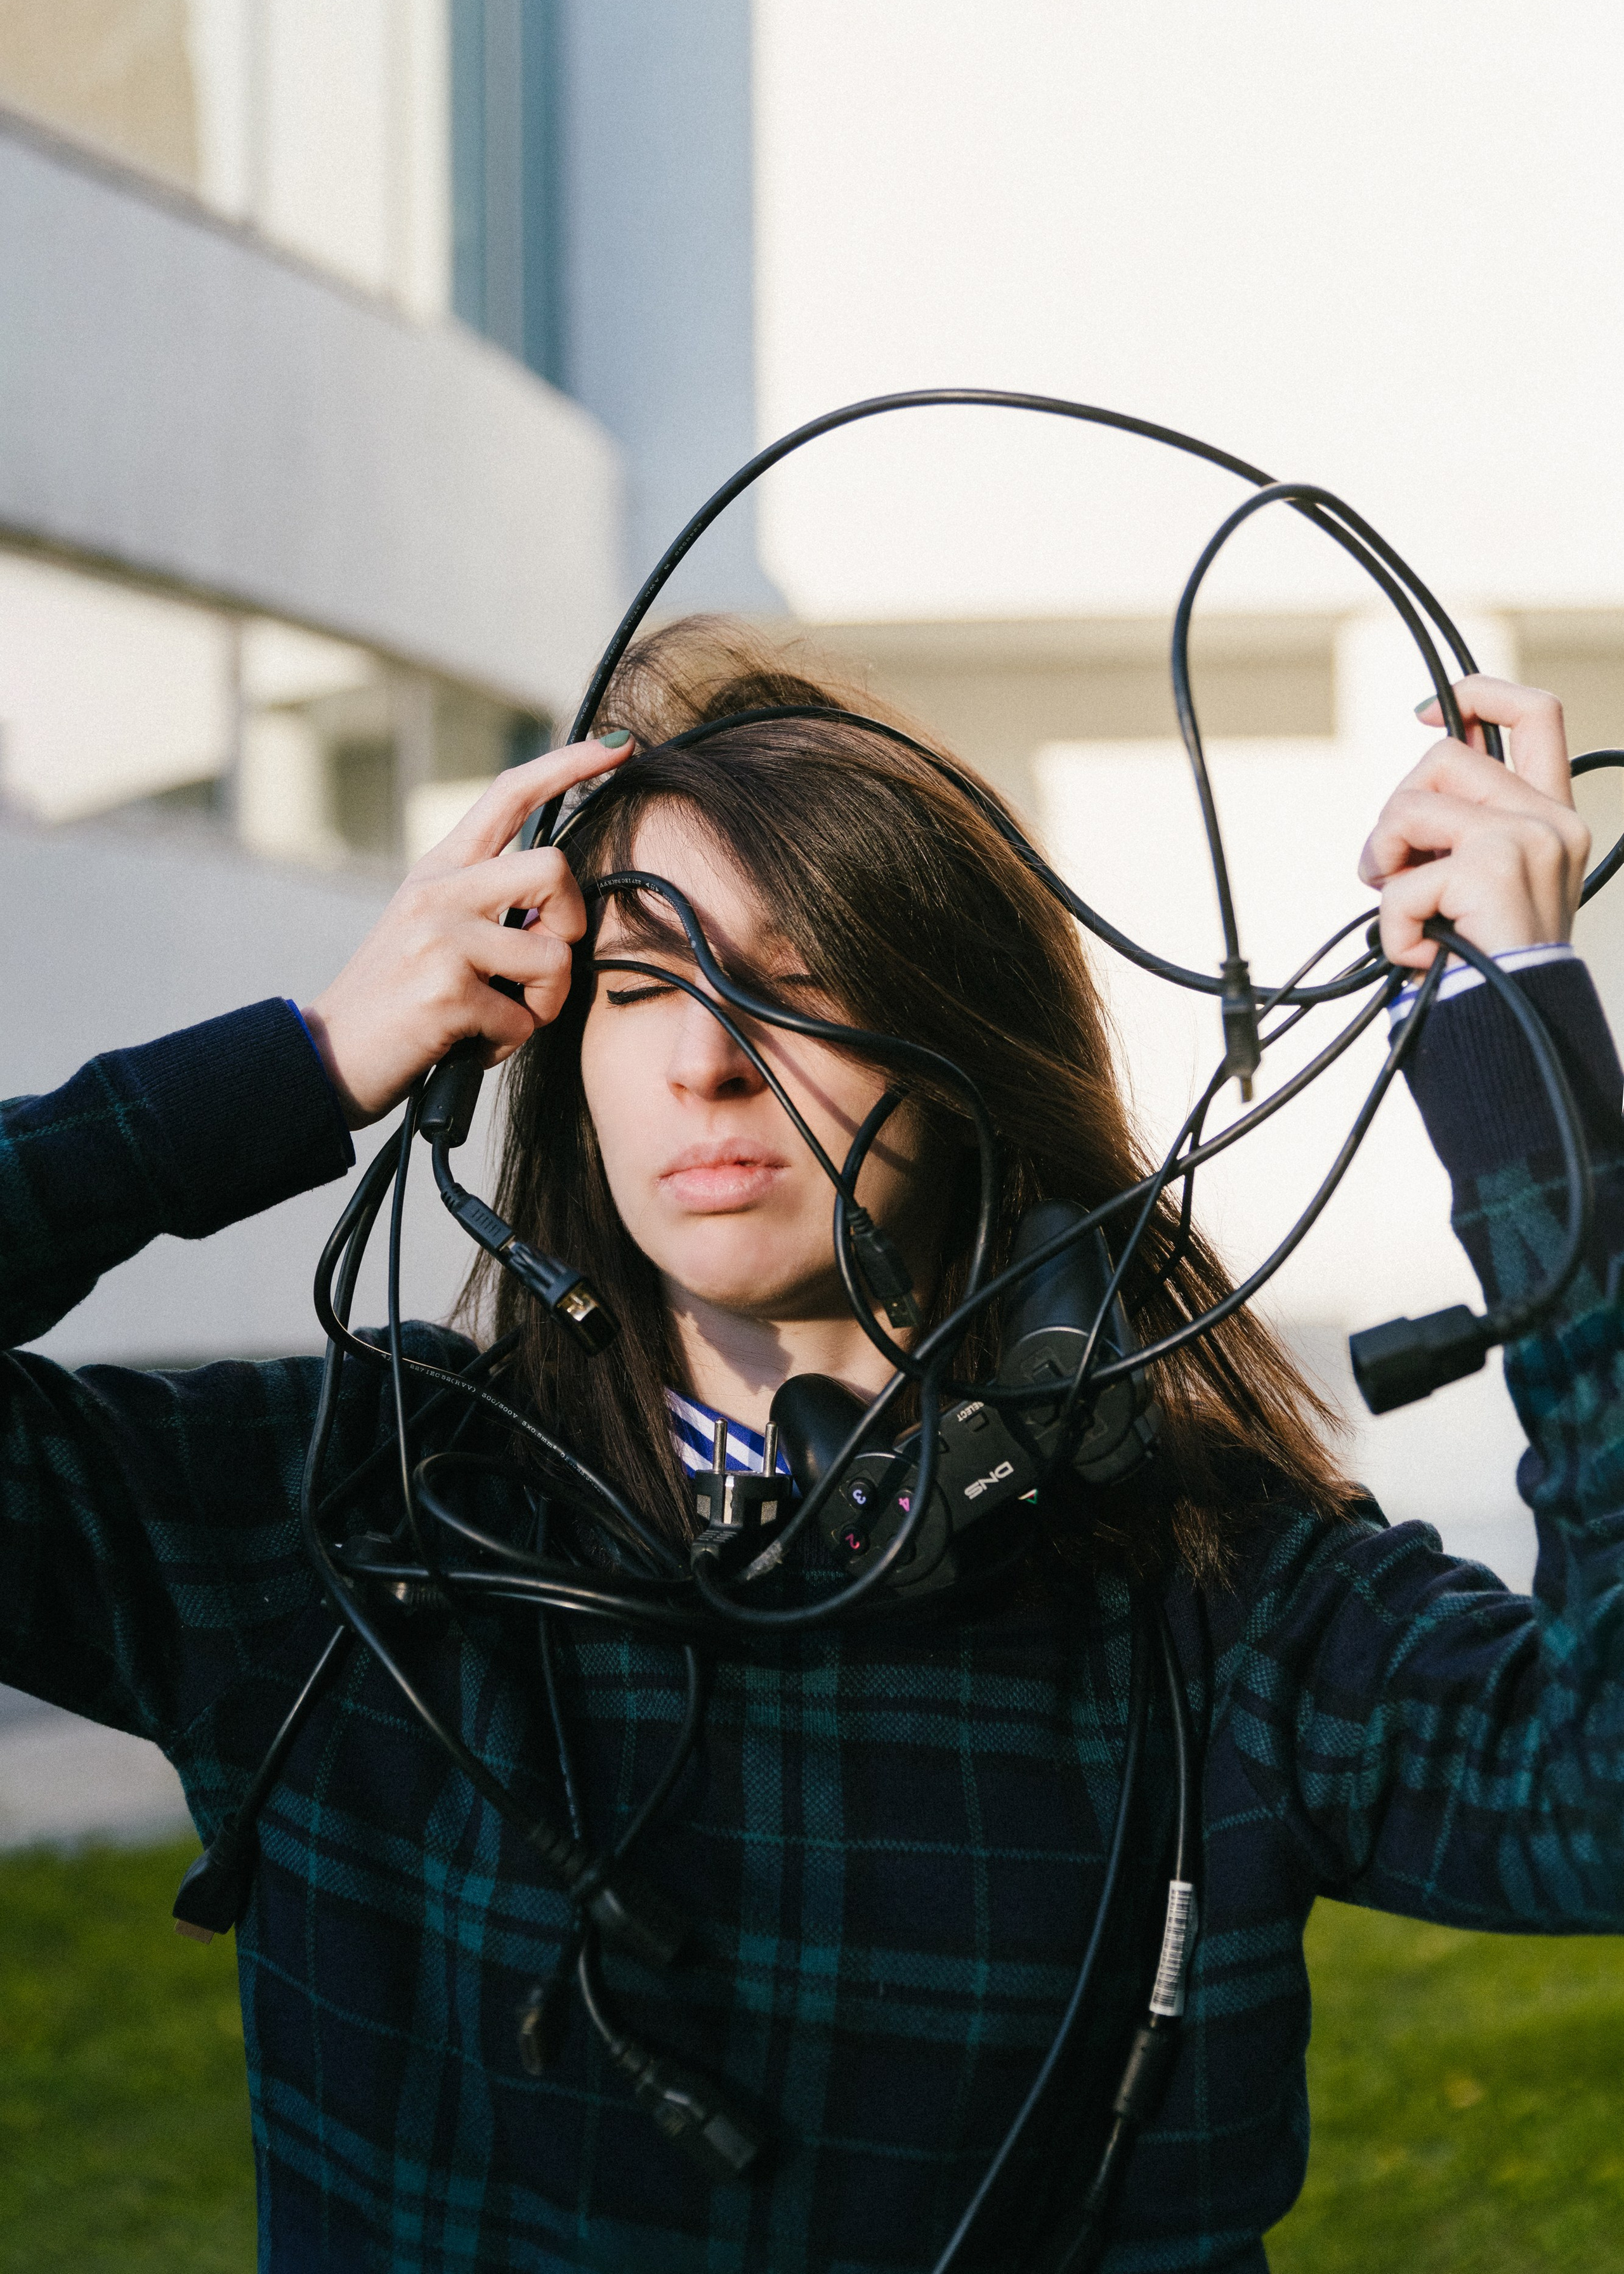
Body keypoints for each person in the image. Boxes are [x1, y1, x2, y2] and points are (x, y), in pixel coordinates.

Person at [3, 619, 1620, 2274]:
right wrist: (304, 1063)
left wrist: (1521, 1049)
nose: (704, 1059)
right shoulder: (339, 1505)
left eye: (794, 983)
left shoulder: (1220, 1593)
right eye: (639, 985)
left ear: (966, 1049)